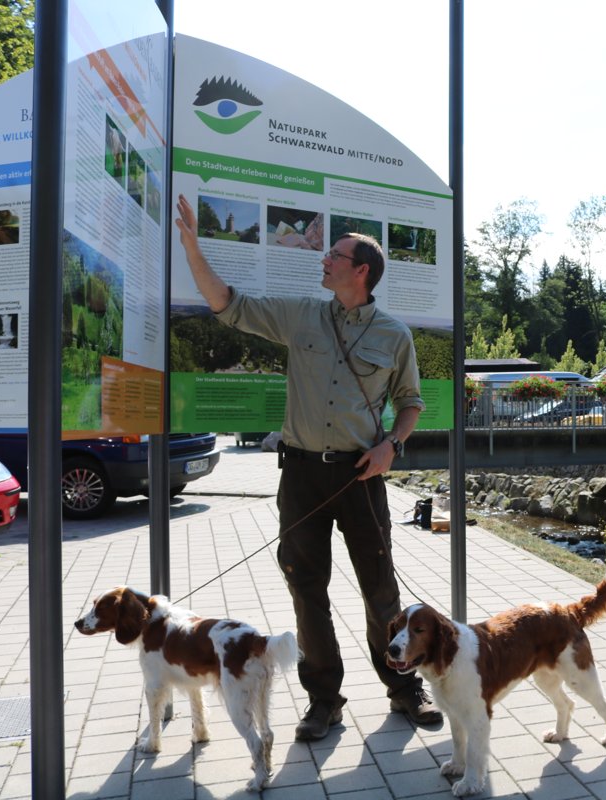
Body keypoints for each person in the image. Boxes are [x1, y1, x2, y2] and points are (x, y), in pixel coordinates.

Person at [174, 194, 442, 740]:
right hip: (300, 475)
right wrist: (192, 248)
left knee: (381, 593)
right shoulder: (302, 316)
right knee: (306, 590)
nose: (324, 261)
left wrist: (394, 442)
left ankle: (404, 690)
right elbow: (228, 304)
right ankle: (324, 701)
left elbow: (411, 401)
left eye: (334, 256)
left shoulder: (395, 334)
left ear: (360, 270)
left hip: (362, 475)